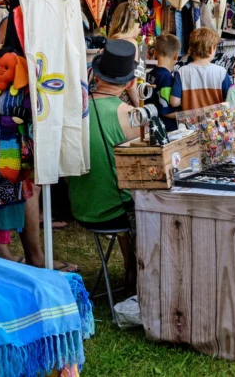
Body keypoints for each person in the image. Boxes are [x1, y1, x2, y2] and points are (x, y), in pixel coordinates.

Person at [68, 40, 141, 288]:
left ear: (96, 76)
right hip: (115, 213)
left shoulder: (74, 110)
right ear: (130, 83)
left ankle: (130, 264)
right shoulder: (131, 116)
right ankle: (137, 268)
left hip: (81, 207)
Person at [170, 28, 231, 111]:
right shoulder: (221, 72)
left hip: (189, 123)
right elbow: (230, 101)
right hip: (214, 122)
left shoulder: (182, 72)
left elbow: (174, 102)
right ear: (210, 50)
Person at [107, 2, 141, 106]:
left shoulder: (111, 41)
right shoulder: (131, 44)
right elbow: (131, 83)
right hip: (123, 100)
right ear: (132, 22)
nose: (140, 26)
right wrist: (138, 105)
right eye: (138, 21)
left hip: (108, 98)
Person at [147, 33, 180, 132]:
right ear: (176, 56)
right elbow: (166, 110)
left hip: (152, 124)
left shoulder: (150, 74)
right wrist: (185, 115)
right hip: (166, 129)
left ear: (155, 53)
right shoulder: (167, 78)